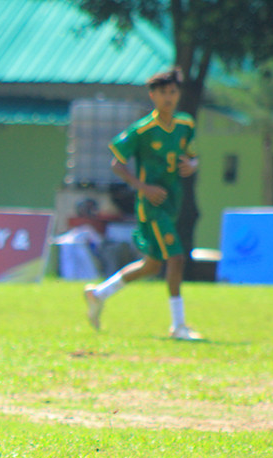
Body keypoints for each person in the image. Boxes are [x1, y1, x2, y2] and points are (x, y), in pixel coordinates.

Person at [84, 67, 202, 340]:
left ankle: (98, 293)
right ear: (153, 96)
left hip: (172, 201)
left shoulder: (185, 124)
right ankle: (178, 326)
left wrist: (193, 164)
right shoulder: (142, 129)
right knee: (176, 257)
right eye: (163, 93)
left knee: (152, 266)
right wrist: (143, 187)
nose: (168, 98)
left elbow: (192, 155)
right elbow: (117, 163)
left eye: (172, 92)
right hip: (151, 205)